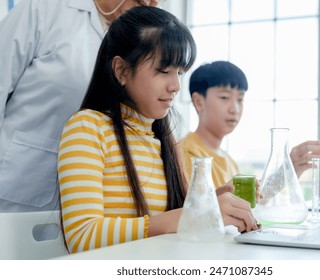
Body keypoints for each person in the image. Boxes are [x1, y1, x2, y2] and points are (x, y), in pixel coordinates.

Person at [57, 6, 259, 253]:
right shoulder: (88, 128)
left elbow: (175, 220)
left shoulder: (162, 139)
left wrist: (211, 205)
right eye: (163, 71)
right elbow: (82, 236)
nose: (175, 85)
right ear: (121, 70)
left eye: (179, 73)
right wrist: (185, 217)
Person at [0, 0, 159, 212]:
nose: (154, 2)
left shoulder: (139, 38)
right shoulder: (43, 9)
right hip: (21, 181)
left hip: (94, 197)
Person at [180, 61, 320, 189]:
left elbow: (250, 205)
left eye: (240, 99)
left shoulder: (229, 161)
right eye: (224, 98)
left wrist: (289, 169)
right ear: (199, 102)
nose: (235, 109)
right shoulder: (186, 154)